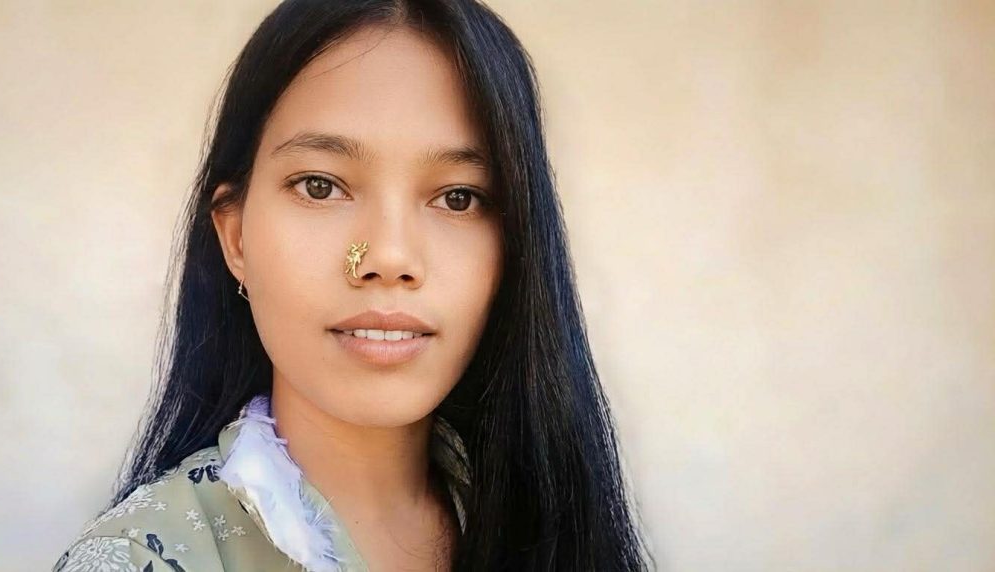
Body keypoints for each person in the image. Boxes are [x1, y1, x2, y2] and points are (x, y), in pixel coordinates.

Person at [54, 1, 655, 570]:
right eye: (320, 186)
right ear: (235, 238)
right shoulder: (140, 559)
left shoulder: (554, 526)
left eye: (458, 197)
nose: (389, 258)